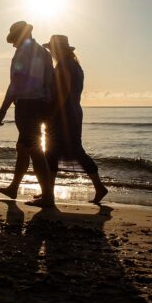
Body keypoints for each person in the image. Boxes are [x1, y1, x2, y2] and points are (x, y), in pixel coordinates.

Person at [0, 21, 55, 207]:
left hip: (27, 105)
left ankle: (47, 197)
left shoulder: (22, 52)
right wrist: (48, 105)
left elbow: (15, 84)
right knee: (23, 147)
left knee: (35, 150)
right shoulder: (44, 53)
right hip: (41, 104)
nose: (13, 44)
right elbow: (50, 81)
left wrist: (3, 109)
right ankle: (14, 187)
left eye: (14, 40)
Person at [43, 34, 108, 204]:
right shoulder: (76, 66)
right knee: (63, 151)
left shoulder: (64, 65)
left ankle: (48, 195)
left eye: (52, 49)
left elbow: (63, 93)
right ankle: (48, 193)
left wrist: (51, 113)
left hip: (63, 114)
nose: (51, 53)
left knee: (53, 151)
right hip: (74, 112)